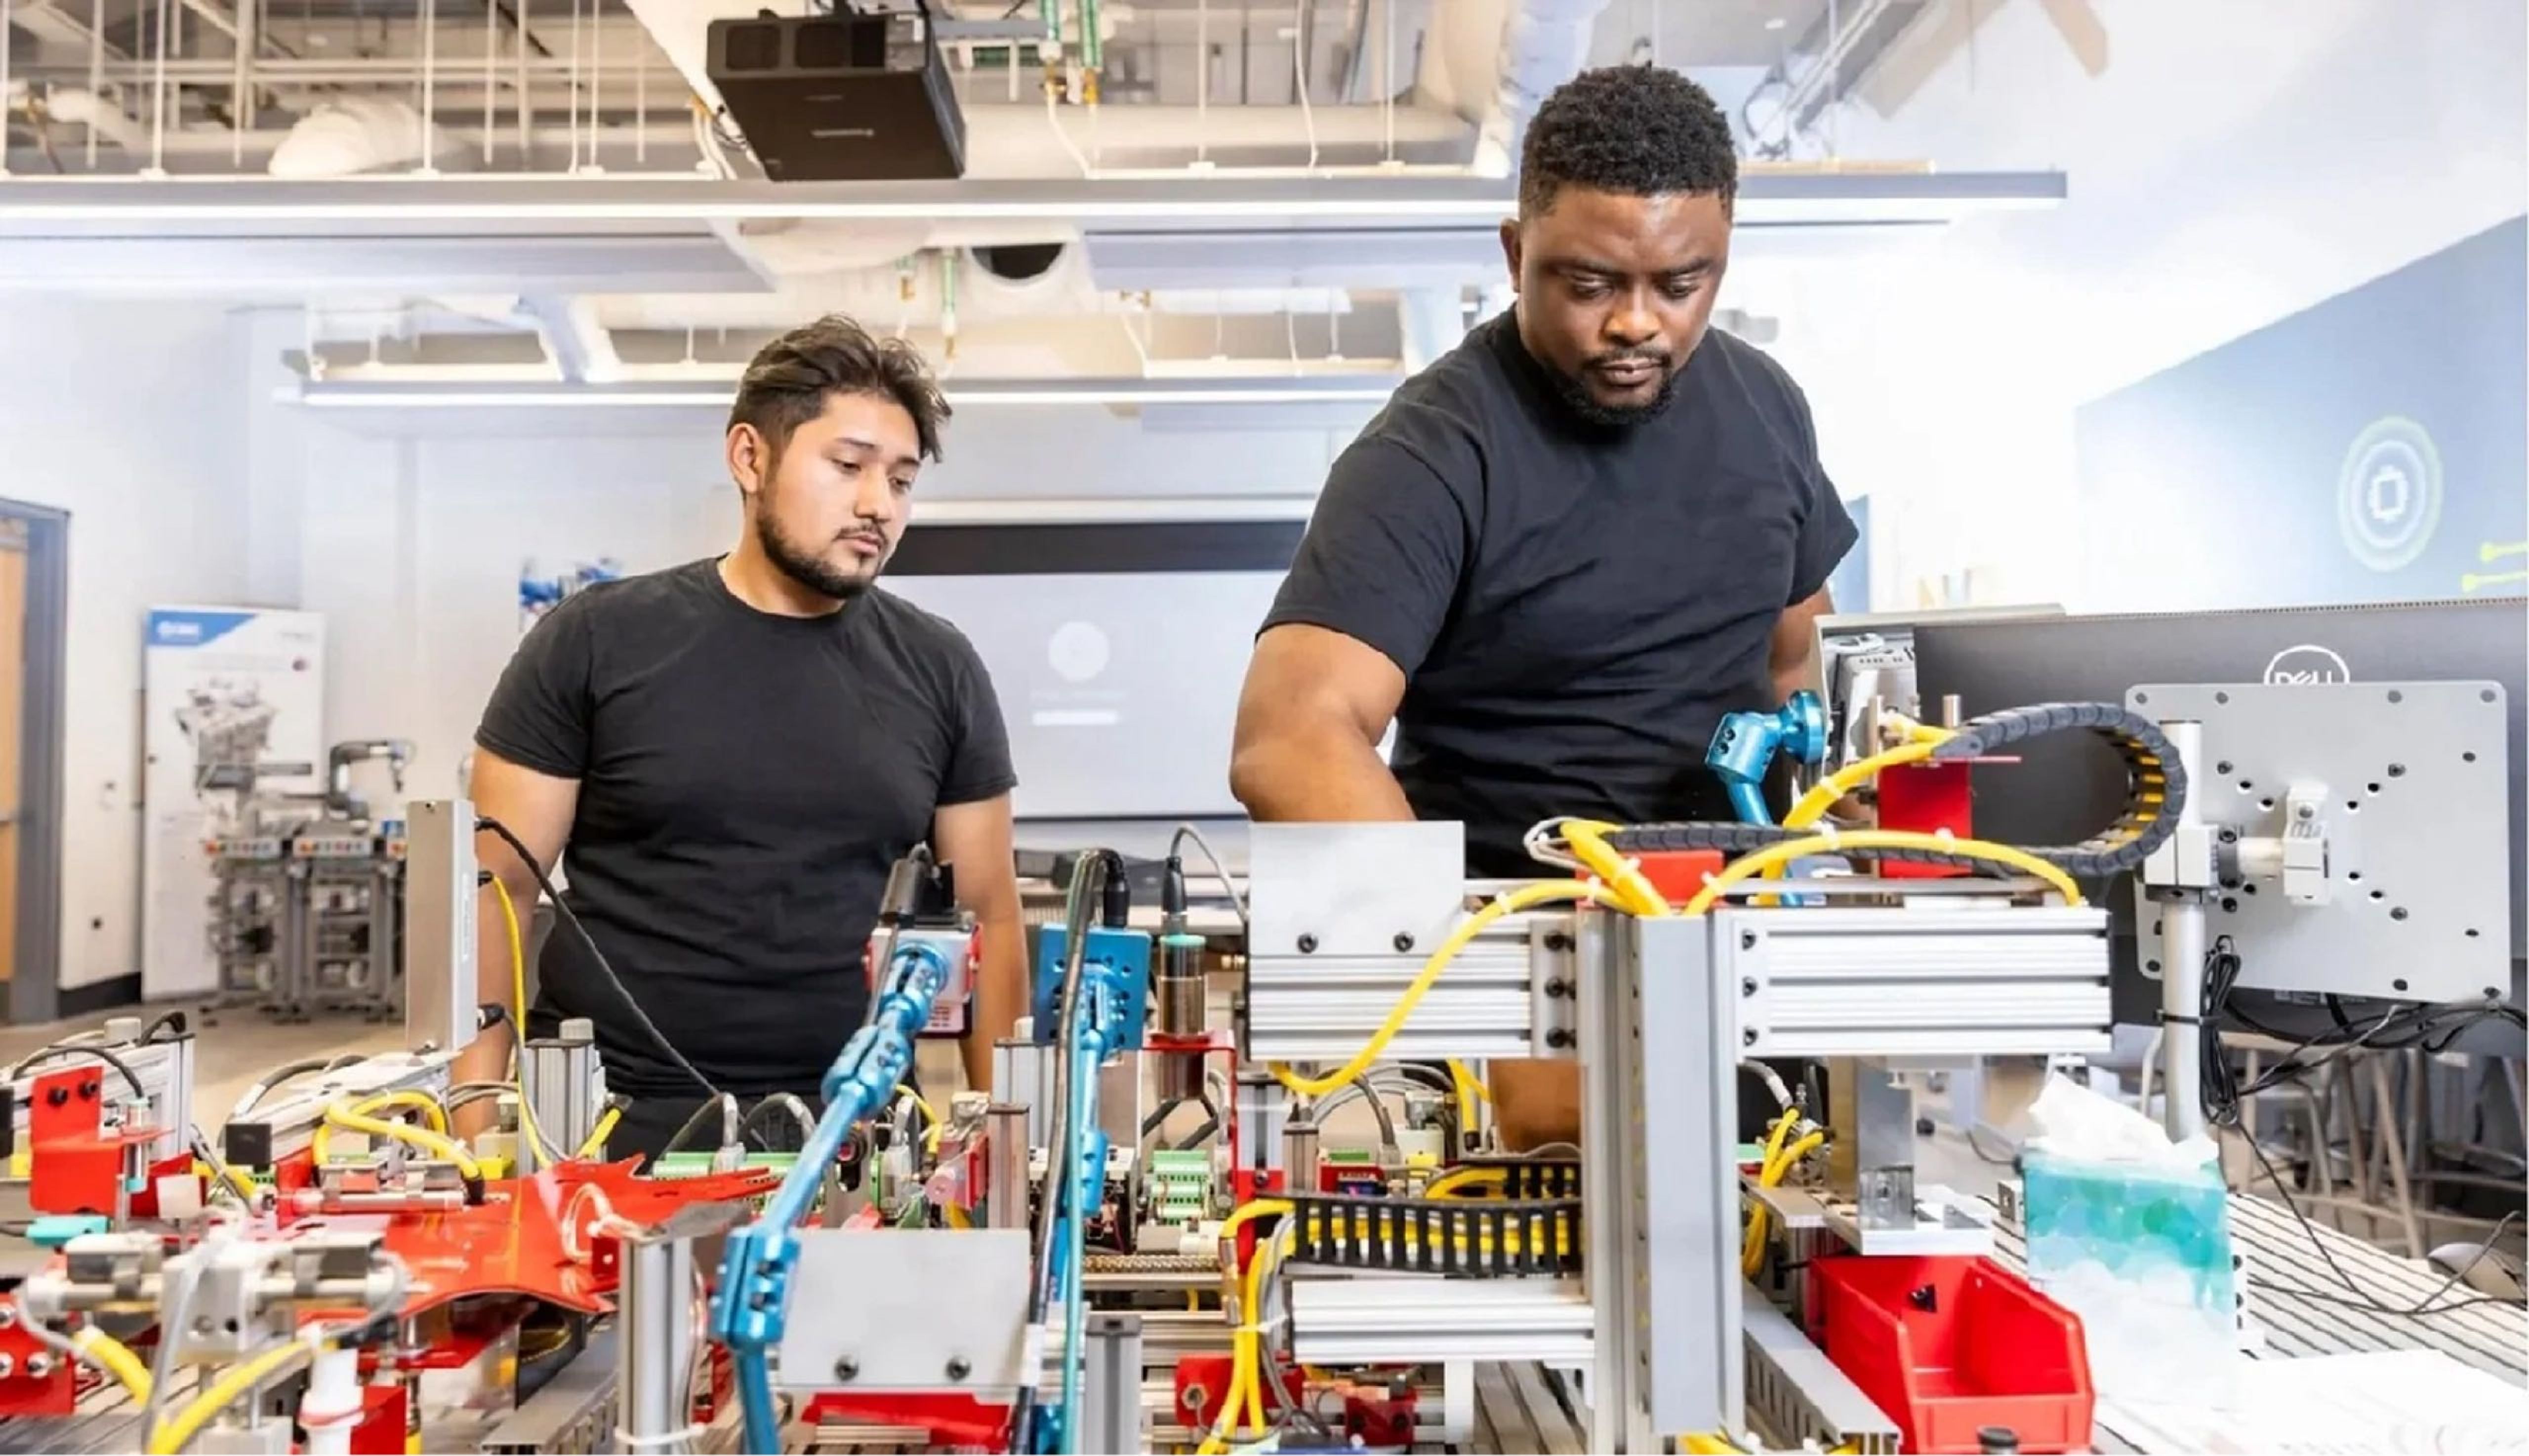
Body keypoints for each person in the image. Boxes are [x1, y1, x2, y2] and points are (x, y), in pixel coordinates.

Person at [1228, 67, 1855, 1145]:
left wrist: (1836, 870)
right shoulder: (1431, 453)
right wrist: (1493, 1004)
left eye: (1680, 284)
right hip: (1514, 965)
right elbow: (1290, 741)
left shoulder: (1767, 410)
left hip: (1732, 964)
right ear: (1516, 255)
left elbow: (1799, 666)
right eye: (1589, 283)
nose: (1636, 324)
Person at [452, 315, 1027, 1164]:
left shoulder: (939, 667)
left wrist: (1003, 1145)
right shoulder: (594, 642)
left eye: (901, 481)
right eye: (848, 466)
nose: (879, 505)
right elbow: (494, 893)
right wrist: (477, 1126)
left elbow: (989, 917)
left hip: (858, 1134)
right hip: (608, 1126)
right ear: (750, 458)